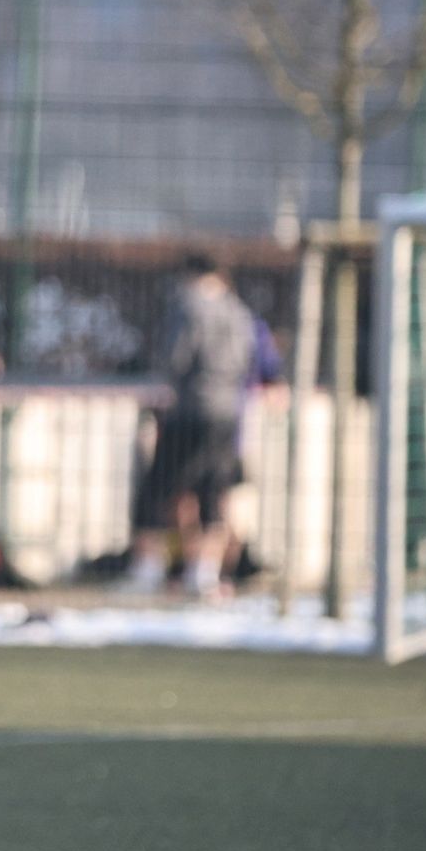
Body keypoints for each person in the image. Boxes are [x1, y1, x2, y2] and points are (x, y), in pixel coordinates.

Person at [124, 251, 258, 598]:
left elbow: (176, 357)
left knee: (160, 489)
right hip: (228, 412)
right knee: (212, 492)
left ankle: (147, 570)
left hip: (189, 410)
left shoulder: (189, 307)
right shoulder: (240, 312)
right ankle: (204, 573)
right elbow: (250, 361)